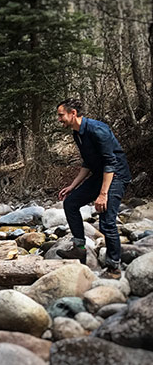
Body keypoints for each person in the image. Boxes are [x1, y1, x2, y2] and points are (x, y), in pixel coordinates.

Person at [56, 99, 131, 279]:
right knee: (71, 203)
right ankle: (79, 249)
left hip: (116, 176)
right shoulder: (77, 133)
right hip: (100, 174)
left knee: (106, 220)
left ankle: (114, 268)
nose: (59, 119)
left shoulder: (97, 130)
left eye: (61, 115)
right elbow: (88, 163)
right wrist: (72, 186)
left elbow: (110, 163)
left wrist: (103, 194)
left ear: (72, 113)